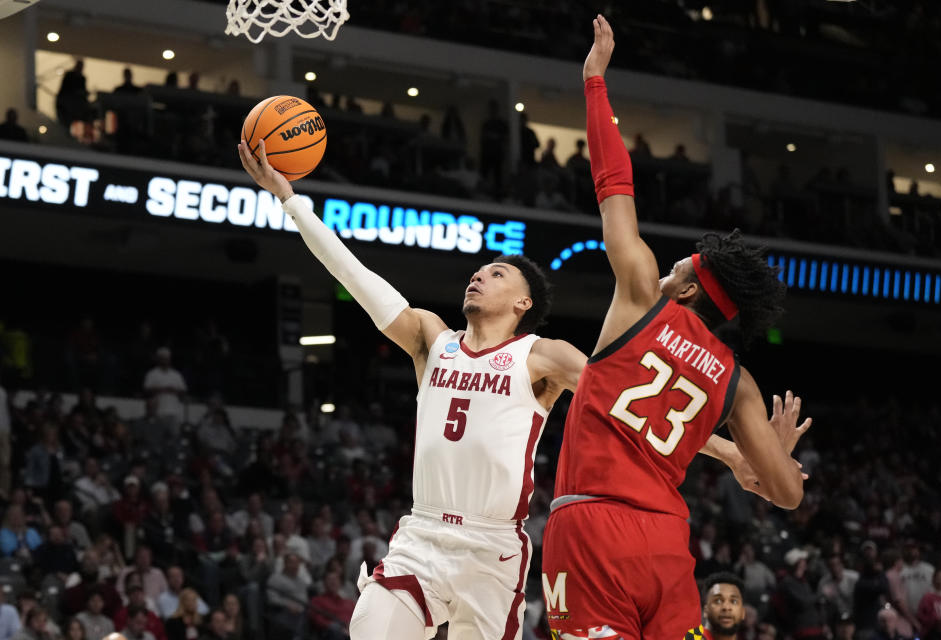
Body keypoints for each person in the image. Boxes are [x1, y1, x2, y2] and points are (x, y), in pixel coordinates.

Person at [238, 113, 784, 640]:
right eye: (478, 271)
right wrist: (291, 202)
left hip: (492, 548)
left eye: (495, 273)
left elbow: (632, 407)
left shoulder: (542, 356)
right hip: (421, 535)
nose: (479, 276)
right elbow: (355, 275)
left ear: (523, 300)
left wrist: (731, 453)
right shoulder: (433, 339)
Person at [540, 16, 809, 640]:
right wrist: (766, 460)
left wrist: (595, 84)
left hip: (591, 530)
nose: (662, 272)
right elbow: (788, 496)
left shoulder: (640, 299)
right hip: (666, 542)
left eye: (676, 268)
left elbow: (614, 185)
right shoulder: (738, 382)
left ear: (686, 289)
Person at [685, 572, 747, 640]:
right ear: (705, 610)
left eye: (733, 601)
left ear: (743, 612)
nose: (726, 607)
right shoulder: (691, 637)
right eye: (718, 601)